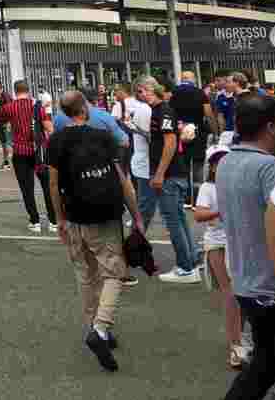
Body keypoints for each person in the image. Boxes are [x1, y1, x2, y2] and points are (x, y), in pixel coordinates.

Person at [46, 91, 143, 372]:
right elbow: (122, 180)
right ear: (85, 108)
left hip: (75, 214)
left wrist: (60, 219)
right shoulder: (103, 137)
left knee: (85, 274)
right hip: (105, 213)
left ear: (64, 113)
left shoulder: (57, 141)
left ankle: (94, 325)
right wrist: (136, 216)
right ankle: (100, 329)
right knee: (114, 272)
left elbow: (53, 185)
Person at [218, 93, 275, 399]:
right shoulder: (272, 168)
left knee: (265, 362)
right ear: (272, 127)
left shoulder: (226, 163)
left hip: (245, 282)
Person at [138, 78, 200, 284]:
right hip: (173, 173)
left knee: (174, 220)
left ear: (150, 90)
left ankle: (185, 267)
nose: (140, 96)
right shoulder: (162, 110)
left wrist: (159, 173)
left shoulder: (163, 110)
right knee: (179, 219)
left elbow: (170, 142)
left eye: (142, 91)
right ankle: (191, 261)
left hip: (170, 175)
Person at [194, 143, 249, 370]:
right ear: (212, 167)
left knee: (244, 292)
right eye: (216, 161)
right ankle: (235, 345)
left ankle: (241, 339)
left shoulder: (240, 184)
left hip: (240, 242)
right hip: (217, 243)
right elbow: (199, 215)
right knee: (231, 294)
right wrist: (221, 211)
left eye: (225, 159)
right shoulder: (208, 187)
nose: (221, 164)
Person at [0, 81, 58, 233]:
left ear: (15, 91)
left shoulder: (9, 107)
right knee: (47, 187)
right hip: (39, 152)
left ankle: (35, 221)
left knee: (27, 188)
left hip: (20, 152)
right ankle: (53, 221)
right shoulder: (38, 106)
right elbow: (49, 128)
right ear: (28, 90)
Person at [171, 70, 217, 203]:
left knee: (183, 165)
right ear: (193, 79)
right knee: (197, 165)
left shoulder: (174, 92)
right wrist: (214, 132)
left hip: (180, 132)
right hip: (198, 133)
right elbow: (208, 114)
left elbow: (170, 111)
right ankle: (196, 199)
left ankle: (185, 198)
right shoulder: (200, 93)